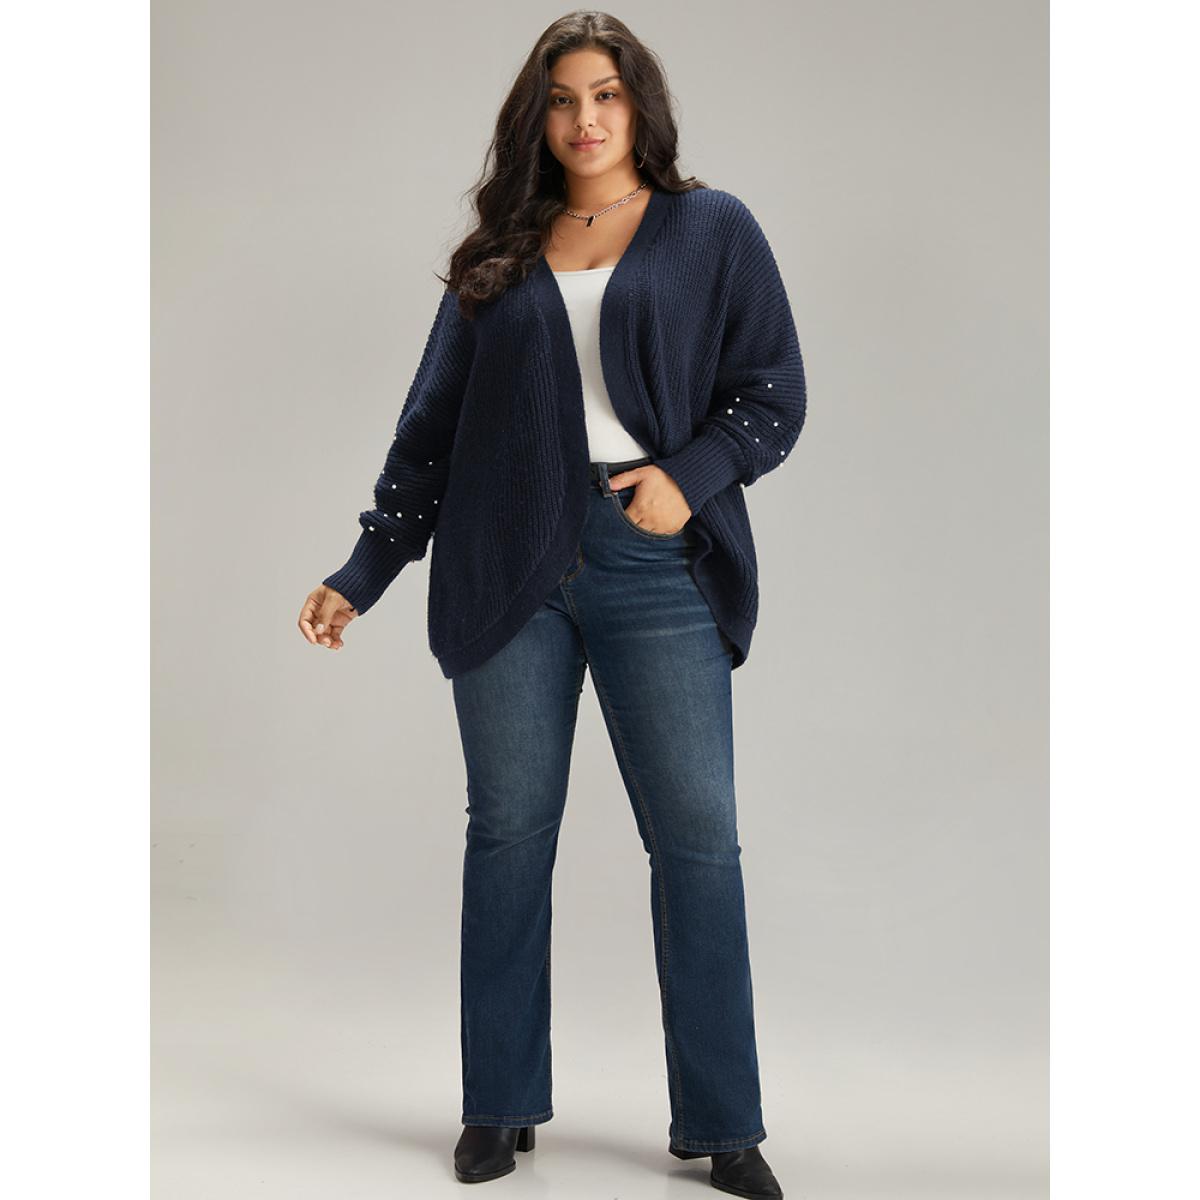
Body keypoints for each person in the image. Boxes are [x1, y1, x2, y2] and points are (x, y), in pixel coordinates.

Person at [299, 12, 806, 1197]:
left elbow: (773, 391)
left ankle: (724, 1125)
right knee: (509, 834)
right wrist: (362, 572)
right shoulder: (501, 253)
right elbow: (429, 434)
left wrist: (690, 478)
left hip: (651, 561)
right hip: (503, 564)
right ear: (538, 118)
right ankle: (498, 1106)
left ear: (640, 106)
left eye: (607, 94)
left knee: (698, 841)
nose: (587, 118)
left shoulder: (711, 229)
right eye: (565, 98)